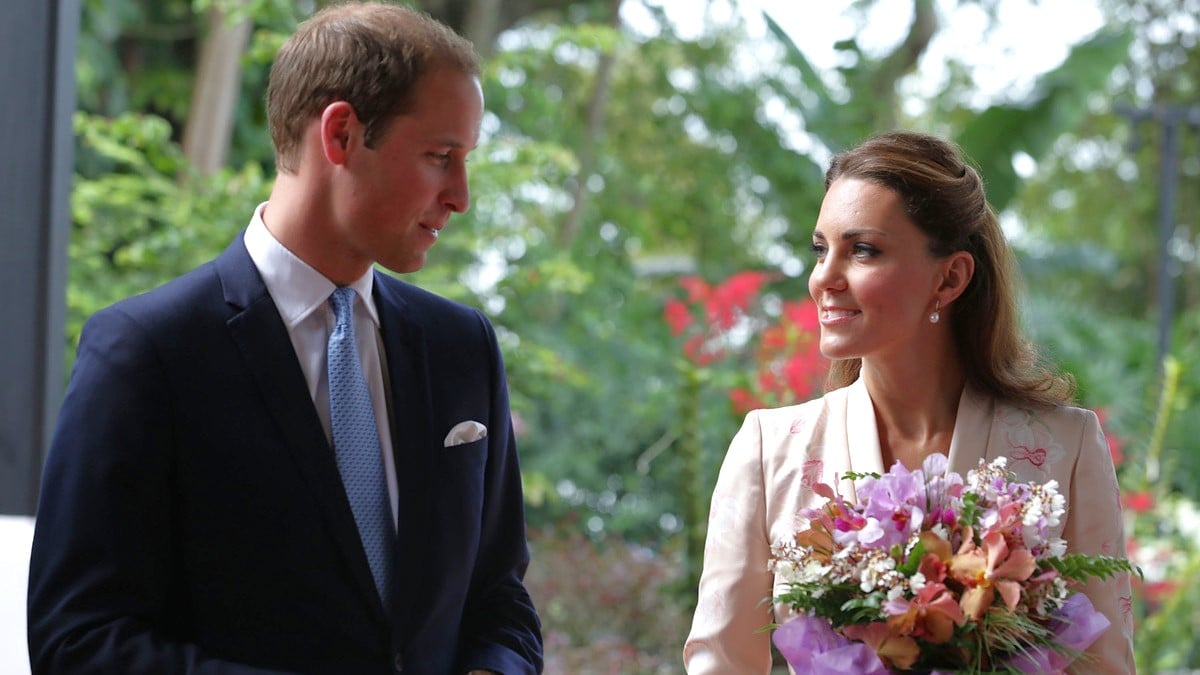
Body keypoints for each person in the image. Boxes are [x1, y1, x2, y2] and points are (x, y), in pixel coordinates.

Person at [27, 3, 542, 674]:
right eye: (440, 157)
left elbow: (500, 595)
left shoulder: (460, 347)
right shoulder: (145, 353)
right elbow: (79, 640)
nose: (461, 196)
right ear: (342, 134)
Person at [683, 131, 1134, 673]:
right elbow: (721, 663)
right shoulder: (769, 449)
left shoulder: (1066, 446)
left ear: (950, 278)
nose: (824, 277)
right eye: (821, 249)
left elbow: (1104, 664)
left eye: (863, 250)